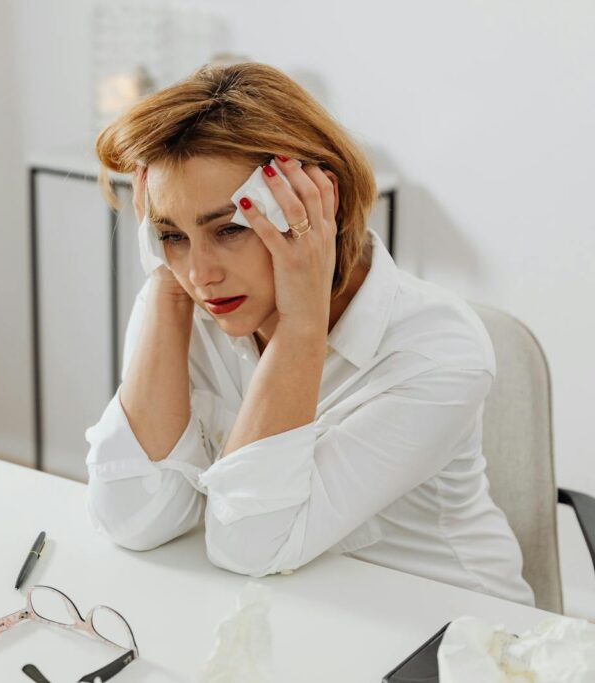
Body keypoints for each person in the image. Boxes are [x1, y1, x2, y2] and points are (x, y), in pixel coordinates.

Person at [84, 61, 534, 606]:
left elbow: (248, 546)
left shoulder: (437, 351)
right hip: (295, 614)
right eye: (171, 235)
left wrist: (301, 324)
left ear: (317, 202)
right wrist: (164, 290)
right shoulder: (185, 300)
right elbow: (131, 519)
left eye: (229, 229)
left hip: (448, 630)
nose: (200, 273)